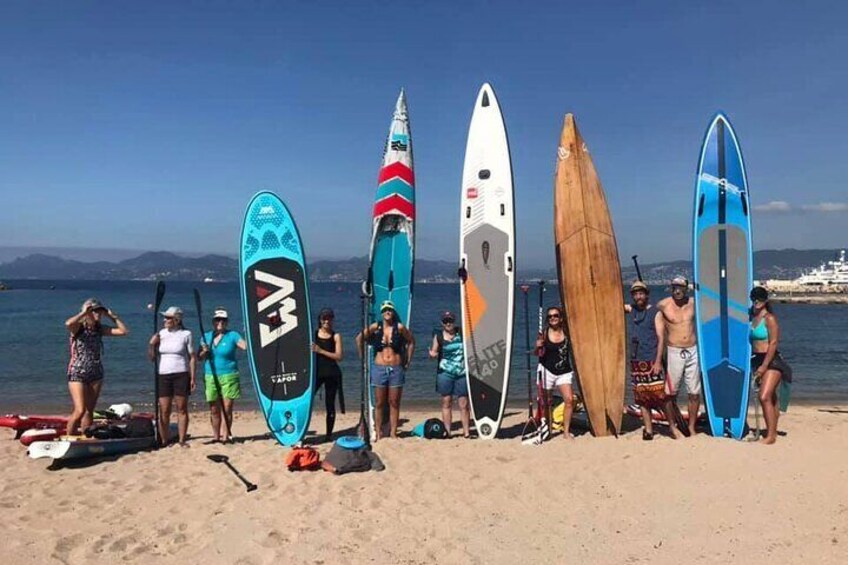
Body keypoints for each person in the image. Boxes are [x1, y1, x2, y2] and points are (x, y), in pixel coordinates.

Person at [64, 298, 129, 435]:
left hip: (96, 372)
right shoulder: (79, 328)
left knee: (89, 410)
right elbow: (68, 323)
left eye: (99, 312)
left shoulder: (99, 329)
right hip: (77, 372)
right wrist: (83, 313)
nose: (98, 314)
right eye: (94, 312)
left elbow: (124, 331)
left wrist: (112, 317)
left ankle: (86, 435)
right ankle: (69, 437)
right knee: (80, 410)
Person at [355, 300, 415, 440]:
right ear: (382, 313)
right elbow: (359, 339)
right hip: (379, 368)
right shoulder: (376, 327)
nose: (388, 312)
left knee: (394, 402)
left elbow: (412, 341)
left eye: (390, 310)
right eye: (385, 310)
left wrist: (408, 361)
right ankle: (379, 432)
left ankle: (393, 432)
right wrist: (362, 359)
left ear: (393, 312)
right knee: (379, 402)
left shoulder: (399, 328)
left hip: (396, 368)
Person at [656, 276, 701, 436]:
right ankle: (672, 426)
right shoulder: (663, 305)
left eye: (680, 287)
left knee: (694, 393)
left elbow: (713, 306)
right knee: (669, 393)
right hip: (674, 351)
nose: (677, 290)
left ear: (686, 288)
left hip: (693, 350)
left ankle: (691, 427)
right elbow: (648, 316)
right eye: (674, 287)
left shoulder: (695, 303)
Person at [626, 281, 670, 440]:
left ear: (646, 294)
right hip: (636, 361)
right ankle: (649, 430)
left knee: (661, 397)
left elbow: (661, 338)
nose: (638, 296)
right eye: (635, 294)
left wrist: (658, 361)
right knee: (642, 398)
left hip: (651, 360)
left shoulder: (655, 313)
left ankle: (672, 428)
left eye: (641, 293)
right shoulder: (632, 310)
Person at [148, 306, 196, 447]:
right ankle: (164, 440)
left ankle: (181, 440)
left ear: (177, 319)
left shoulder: (186, 334)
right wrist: (151, 344)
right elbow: (152, 358)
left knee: (181, 408)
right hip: (163, 375)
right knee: (164, 409)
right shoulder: (161, 334)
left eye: (168, 318)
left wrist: (192, 377)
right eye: (165, 317)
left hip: (181, 373)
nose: (165, 320)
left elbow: (192, 357)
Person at [750, 286, 792, 445]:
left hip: (772, 360)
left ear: (765, 300)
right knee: (771, 397)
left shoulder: (770, 319)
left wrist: (764, 365)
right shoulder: (753, 317)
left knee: (764, 396)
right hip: (757, 359)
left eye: (759, 299)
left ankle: (771, 436)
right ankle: (772, 430)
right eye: (754, 298)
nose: (756, 302)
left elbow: (773, 343)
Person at [198, 308, 246, 444]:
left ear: (227, 322)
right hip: (210, 375)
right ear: (213, 321)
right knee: (214, 409)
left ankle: (226, 437)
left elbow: (245, 347)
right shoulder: (206, 336)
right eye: (218, 320)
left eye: (223, 320)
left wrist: (250, 333)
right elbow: (199, 357)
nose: (220, 322)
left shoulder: (233, 335)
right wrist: (204, 351)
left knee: (227, 408)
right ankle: (215, 437)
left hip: (229, 375)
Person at [534, 306, 575, 439]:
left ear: (560, 318)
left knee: (569, 400)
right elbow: (537, 354)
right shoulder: (544, 333)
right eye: (550, 316)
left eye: (555, 315)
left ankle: (566, 432)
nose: (553, 318)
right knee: (546, 402)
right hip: (547, 370)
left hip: (564, 372)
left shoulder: (567, 332)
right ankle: (548, 428)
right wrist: (537, 346)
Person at [428, 311, 470, 438]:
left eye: (450, 320)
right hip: (445, 373)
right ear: (442, 323)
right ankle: (448, 431)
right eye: (446, 321)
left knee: (464, 403)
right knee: (447, 402)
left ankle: (466, 432)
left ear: (454, 321)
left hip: (462, 373)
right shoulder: (439, 336)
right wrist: (432, 355)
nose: (448, 323)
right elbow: (434, 352)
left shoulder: (462, 333)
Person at [311, 308, 344, 442]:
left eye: (329, 318)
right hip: (316, 373)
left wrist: (320, 350)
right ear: (320, 320)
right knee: (307, 400)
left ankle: (329, 435)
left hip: (332, 373)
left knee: (330, 405)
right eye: (324, 318)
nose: (327, 321)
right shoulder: (313, 334)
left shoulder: (336, 336)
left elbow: (339, 356)